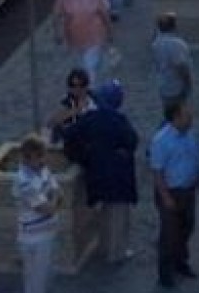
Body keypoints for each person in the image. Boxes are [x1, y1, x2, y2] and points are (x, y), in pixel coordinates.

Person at [65, 80, 140, 264]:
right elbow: (132, 141)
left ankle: (104, 247)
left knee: (103, 214)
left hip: (97, 174)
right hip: (119, 177)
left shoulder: (90, 118)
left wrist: (82, 157)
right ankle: (116, 254)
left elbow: (69, 135)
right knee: (118, 216)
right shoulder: (119, 121)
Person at [150, 101, 199, 288]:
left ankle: (180, 261)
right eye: (186, 115)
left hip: (188, 190)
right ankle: (165, 275)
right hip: (171, 191)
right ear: (175, 118)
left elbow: (194, 158)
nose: (190, 118)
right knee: (169, 234)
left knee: (187, 226)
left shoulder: (191, 134)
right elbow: (157, 172)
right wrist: (165, 197)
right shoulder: (161, 140)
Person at [13, 134, 62, 293]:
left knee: (46, 276)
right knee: (36, 281)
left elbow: (58, 192)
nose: (44, 160)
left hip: (47, 232)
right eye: (40, 157)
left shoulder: (42, 169)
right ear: (29, 158)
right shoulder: (24, 182)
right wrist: (54, 202)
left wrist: (53, 200)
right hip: (34, 239)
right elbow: (47, 208)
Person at [52, 0, 114, 84]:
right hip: (74, 38)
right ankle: (82, 89)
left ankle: (89, 92)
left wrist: (110, 31)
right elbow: (56, 15)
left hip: (94, 36)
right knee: (79, 67)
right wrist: (57, 33)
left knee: (89, 67)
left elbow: (104, 14)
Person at [150, 12, 194, 112]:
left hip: (164, 84)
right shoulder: (177, 45)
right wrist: (188, 83)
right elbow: (181, 67)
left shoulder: (156, 43)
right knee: (179, 112)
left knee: (168, 111)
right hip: (177, 86)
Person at [46, 68, 98, 152]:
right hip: (71, 141)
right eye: (73, 85)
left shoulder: (95, 100)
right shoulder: (67, 101)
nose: (77, 89)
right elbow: (51, 122)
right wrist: (76, 110)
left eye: (81, 85)